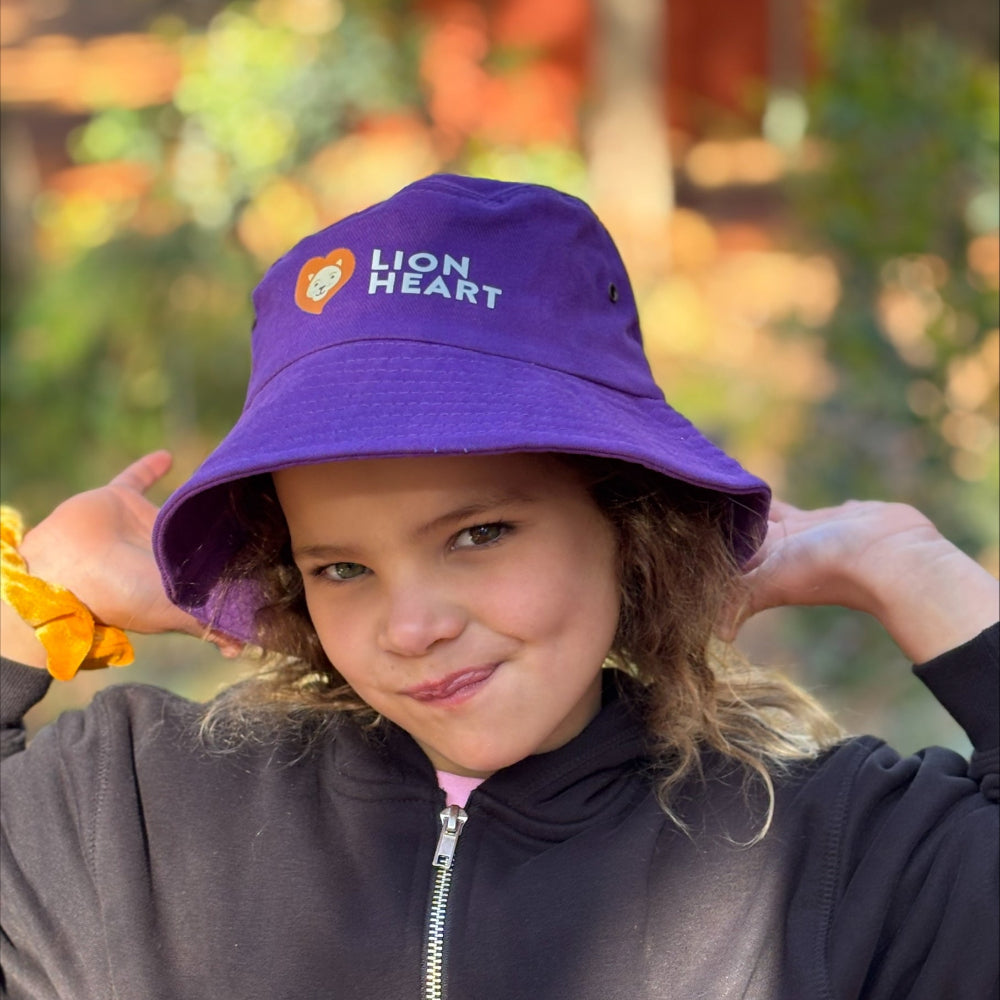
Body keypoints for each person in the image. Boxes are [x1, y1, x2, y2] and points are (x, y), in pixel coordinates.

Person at [0, 174, 996, 1000]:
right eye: (341, 567)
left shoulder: (831, 854)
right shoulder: (132, 816)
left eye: (478, 535)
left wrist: (909, 570)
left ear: (628, 519)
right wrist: (31, 593)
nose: (411, 627)